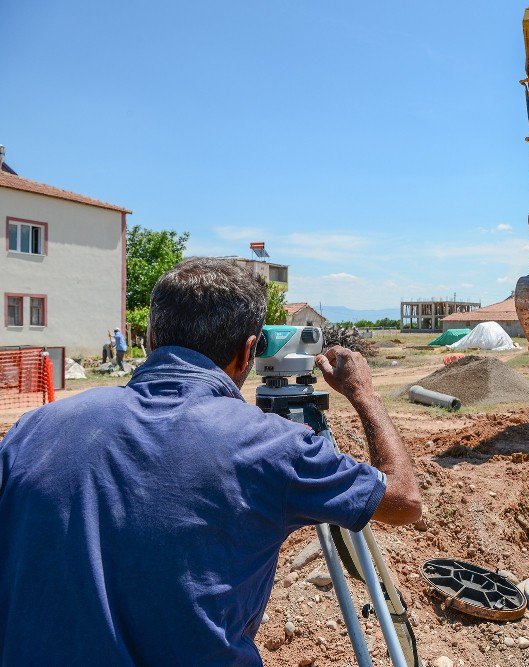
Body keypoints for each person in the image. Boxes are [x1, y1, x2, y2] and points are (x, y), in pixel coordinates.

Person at [0, 257, 422, 665]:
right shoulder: (271, 446)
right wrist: (365, 395)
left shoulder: (31, 430)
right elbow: (404, 502)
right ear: (248, 351)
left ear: (151, 340)